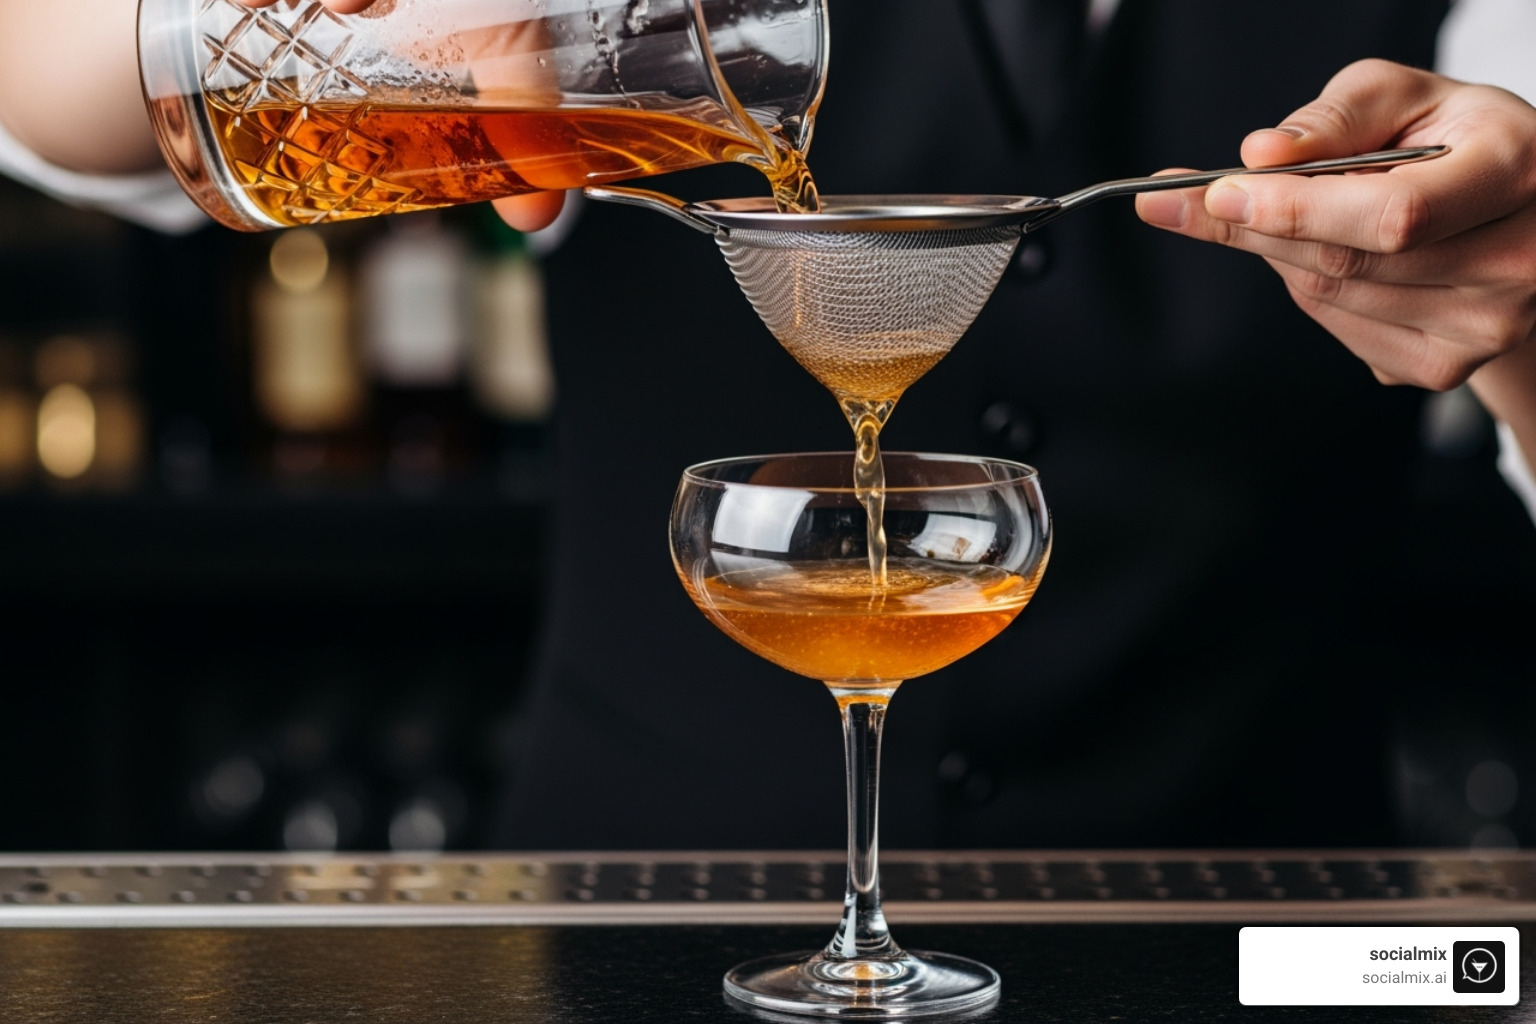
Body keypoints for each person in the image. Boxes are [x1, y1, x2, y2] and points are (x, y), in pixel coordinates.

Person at [3, 0, 1535, 849]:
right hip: (636, 925)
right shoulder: (618, 32)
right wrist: (342, 44)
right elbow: (43, 77)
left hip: (1249, 943)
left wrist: (1529, 310)